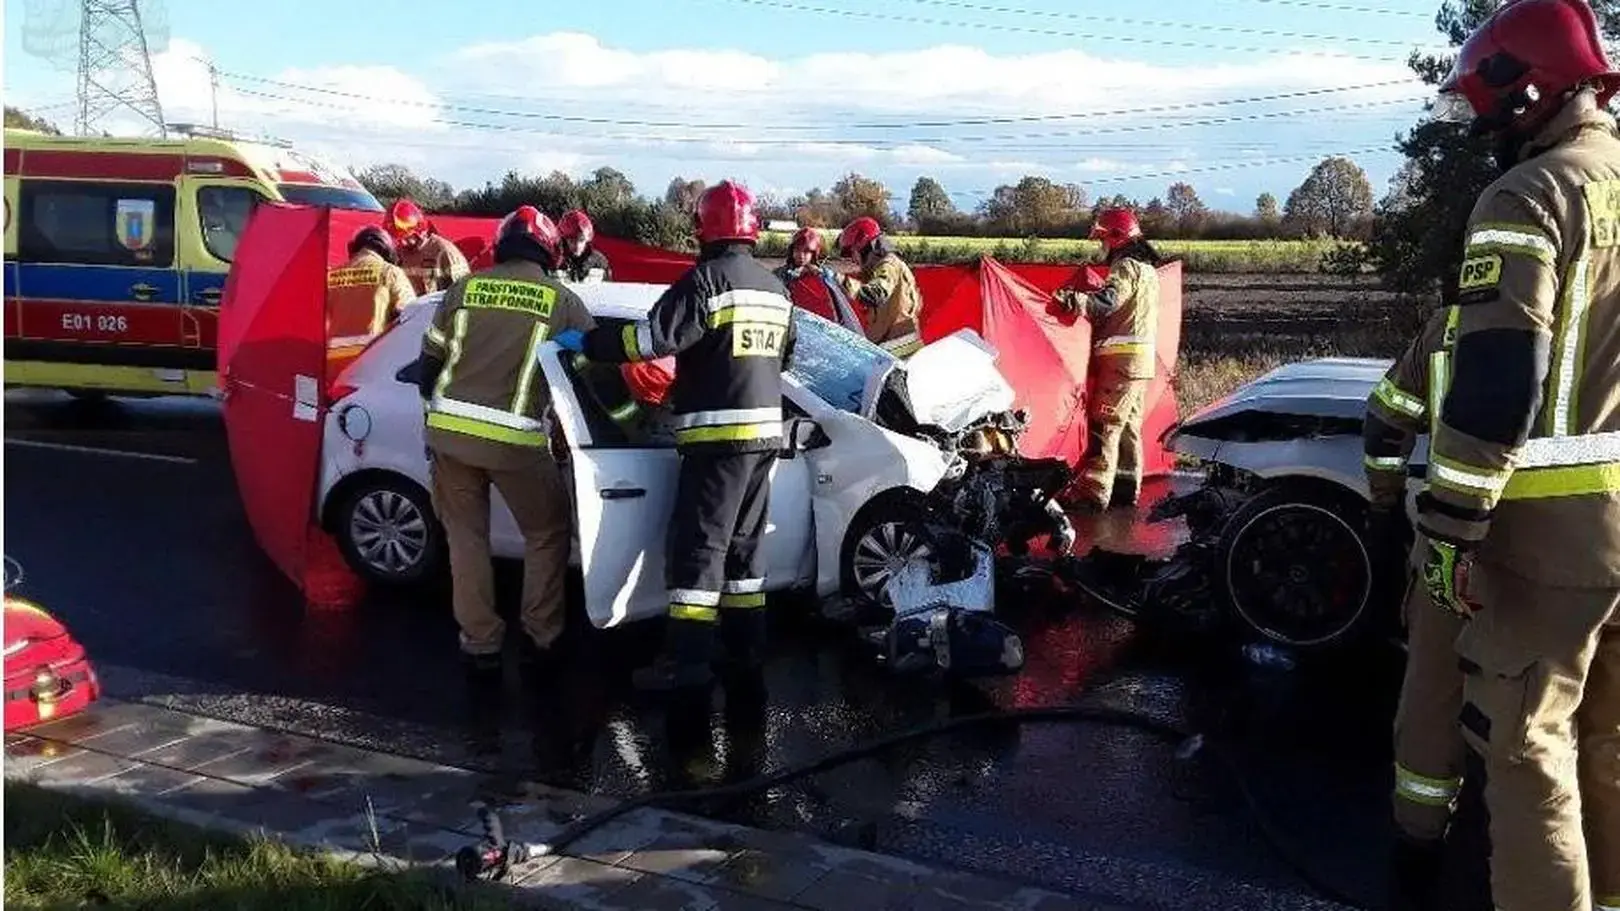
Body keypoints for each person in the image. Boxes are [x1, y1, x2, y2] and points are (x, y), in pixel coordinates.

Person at [1418, 2, 1620, 909]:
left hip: (1553, 540)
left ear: (1524, 89)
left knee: (1527, 744)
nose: (1486, 125)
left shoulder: (1528, 195)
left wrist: (1451, 531)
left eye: (1487, 105)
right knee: (1612, 741)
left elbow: (1498, 387)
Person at [553, 180, 793, 708]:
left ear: (703, 229)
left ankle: (687, 664)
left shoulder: (704, 281)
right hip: (765, 439)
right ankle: (745, 652)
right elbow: (787, 357)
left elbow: (647, 342)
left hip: (717, 439)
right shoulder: (775, 290)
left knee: (699, 554)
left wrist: (589, 344)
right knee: (745, 553)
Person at [417, 205, 595, 728]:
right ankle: (542, 639)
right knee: (547, 532)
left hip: (448, 434)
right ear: (549, 252)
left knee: (466, 540)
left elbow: (429, 369)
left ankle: (480, 647)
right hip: (514, 441)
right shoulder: (561, 299)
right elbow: (592, 370)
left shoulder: (463, 290)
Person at [1362, 303, 1469, 909]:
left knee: (1433, 693)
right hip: (1582, 558)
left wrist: (1384, 509)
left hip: (1455, 546)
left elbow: (1385, 421)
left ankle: (1419, 845)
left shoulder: (1451, 324)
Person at [1053, 207, 1163, 512]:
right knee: (1128, 428)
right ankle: (1126, 491)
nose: (1102, 247)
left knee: (1105, 425)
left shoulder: (1125, 267)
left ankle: (1093, 493)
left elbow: (1108, 302)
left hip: (1120, 363)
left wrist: (1075, 302)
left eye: (1102, 240)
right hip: (1140, 365)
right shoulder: (1150, 272)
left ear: (1115, 238)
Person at [837, 217, 922, 357]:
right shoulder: (879, 268)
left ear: (865, 248)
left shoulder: (889, 265)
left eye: (853, 252)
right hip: (892, 344)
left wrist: (840, 280)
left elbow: (877, 294)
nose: (853, 259)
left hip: (898, 347)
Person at [325, 225, 416, 356]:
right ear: (388, 251)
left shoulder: (332, 275)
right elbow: (409, 314)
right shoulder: (390, 273)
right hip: (370, 360)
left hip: (333, 360)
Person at [775, 227, 863, 332]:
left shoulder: (825, 276)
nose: (801, 255)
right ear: (792, 251)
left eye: (807, 251)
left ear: (814, 254)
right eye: (797, 250)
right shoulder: (779, 274)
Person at [386, 198, 471, 296]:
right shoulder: (398, 254)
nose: (402, 243)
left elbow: (462, 293)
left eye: (406, 237)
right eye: (397, 238)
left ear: (418, 230)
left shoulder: (445, 252)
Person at [557, 210, 612, 283]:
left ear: (587, 240)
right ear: (564, 239)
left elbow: (608, 288)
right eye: (572, 241)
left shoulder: (599, 262)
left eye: (581, 240)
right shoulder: (555, 259)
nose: (577, 245)